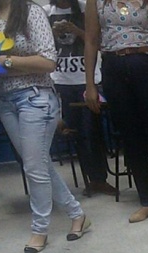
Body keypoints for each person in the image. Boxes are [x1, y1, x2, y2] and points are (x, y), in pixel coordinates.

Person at [0, 0, 90, 253]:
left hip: (35, 97)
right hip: (4, 100)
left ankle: (40, 230)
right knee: (37, 165)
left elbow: (48, 62)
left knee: (35, 167)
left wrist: (6, 62)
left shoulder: (31, 12)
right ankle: (77, 214)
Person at [84, 0, 148, 224]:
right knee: (132, 139)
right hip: (113, 69)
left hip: (147, 66)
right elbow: (90, 41)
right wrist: (90, 84)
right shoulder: (96, 2)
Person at [43, 0, 116, 196]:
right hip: (59, 81)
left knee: (91, 131)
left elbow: (98, 43)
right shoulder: (46, 12)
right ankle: (90, 179)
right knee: (74, 133)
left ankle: (99, 179)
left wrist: (76, 30)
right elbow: (41, 46)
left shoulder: (86, 8)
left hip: (87, 81)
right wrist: (53, 33)